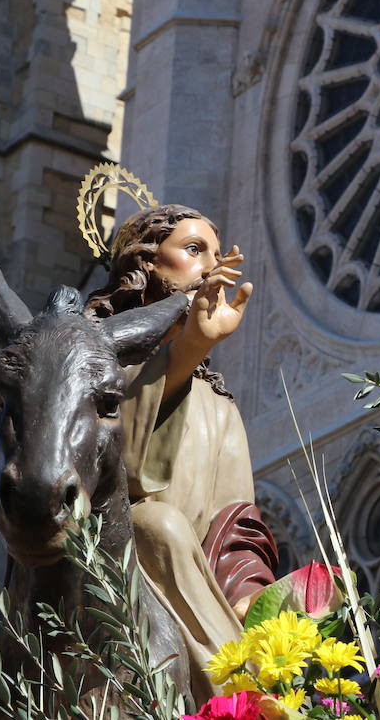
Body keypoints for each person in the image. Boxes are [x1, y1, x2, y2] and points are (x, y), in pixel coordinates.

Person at [86, 204, 277, 701]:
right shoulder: (93, 363)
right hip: (107, 569)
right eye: (193, 251)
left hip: (196, 591)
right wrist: (187, 348)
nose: (213, 267)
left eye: (216, 254)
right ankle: (242, 701)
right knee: (156, 526)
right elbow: (116, 471)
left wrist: (248, 593)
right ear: (145, 264)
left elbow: (233, 525)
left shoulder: (218, 406)